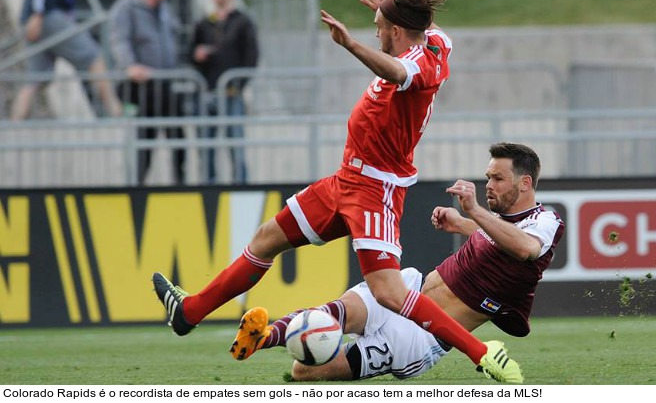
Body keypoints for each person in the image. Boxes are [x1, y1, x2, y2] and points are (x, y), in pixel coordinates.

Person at [153, 0, 515, 382]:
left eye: (379, 27)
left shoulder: (418, 66)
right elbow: (425, 29)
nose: (375, 32)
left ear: (396, 31)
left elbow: (396, 71)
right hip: (345, 180)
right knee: (265, 239)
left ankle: (482, 354)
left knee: (389, 294)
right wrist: (388, 4)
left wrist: (351, 45)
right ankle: (189, 313)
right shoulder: (435, 42)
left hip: (375, 191)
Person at [231, 143, 565, 383]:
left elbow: (525, 248)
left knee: (304, 369)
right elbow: (499, 238)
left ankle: (311, 348)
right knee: (331, 315)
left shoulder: (546, 220)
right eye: (488, 176)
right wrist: (461, 224)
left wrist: (473, 212)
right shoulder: (498, 223)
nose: (489, 185)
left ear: (525, 183)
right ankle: (262, 337)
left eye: (498, 178)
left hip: (419, 340)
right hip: (411, 291)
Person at [109, 0, 186, 185]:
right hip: (142, 87)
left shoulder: (165, 9)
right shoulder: (126, 8)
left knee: (178, 137)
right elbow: (119, 41)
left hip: (165, 84)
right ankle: (138, 185)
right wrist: (130, 66)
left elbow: (174, 37)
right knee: (145, 139)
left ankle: (181, 182)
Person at [11, 0, 122, 120]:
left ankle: (15, 124)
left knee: (35, 78)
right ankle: (115, 112)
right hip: (47, 16)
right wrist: (37, 12)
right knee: (94, 58)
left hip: (38, 19)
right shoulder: (42, 12)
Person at [191, 0, 259, 184]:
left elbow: (251, 58)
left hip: (231, 94)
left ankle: (241, 186)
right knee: (206, 148)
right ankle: (208, 187)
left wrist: (237, 86)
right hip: (207, 93)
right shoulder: (204, 23)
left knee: (236, 146)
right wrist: (197, 55)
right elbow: (190, 54)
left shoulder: (243, 22)